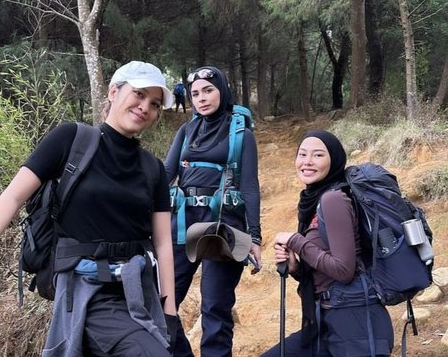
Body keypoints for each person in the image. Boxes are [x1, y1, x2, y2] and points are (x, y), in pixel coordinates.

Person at [0, 61, 178, 356]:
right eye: (138, 94)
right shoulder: (71, 139)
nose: (145, 107)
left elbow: (162, 244)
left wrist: (170, 309)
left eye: (155, 103)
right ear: (113, 91)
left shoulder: (153, 169)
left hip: (139, 291)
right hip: (86, 289)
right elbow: (12, 197)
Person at [261, 130, 394, 357]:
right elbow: (325, 270)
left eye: (318, 155)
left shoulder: (333, 199)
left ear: (334, 160)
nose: (307, 162)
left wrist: (296, 241)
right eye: (302, 154)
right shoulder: (315, 202)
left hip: (356, 325)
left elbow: (343, 270)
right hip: (328, 321)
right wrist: (296, 267)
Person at [164, 66, 262, 357]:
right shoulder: (186, 130)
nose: (201, 98)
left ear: (222, 90)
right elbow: (167, 174)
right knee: (162, 302)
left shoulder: (241, 134)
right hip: (182, 222)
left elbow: (250, 187)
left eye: (208, 90)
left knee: (215, 310)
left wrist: (255, 236)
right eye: (195, 94)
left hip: (224, 225)